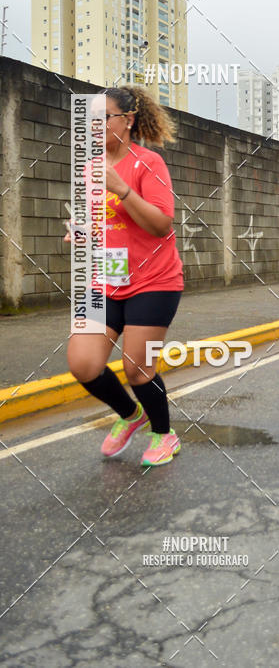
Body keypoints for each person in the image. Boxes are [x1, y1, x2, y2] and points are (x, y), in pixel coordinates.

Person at [65, 86, 184, 467]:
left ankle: (164, 434)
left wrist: (122, 189)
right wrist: (82, 232)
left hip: (154, 281)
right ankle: (131, 416)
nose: (94, 126)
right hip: (105, 279)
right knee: (83, 363)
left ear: (128, 120)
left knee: (137, 367)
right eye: (90, 120)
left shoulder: (149, 163)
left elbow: (161, 224)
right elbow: (101, 222)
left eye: (104, 118)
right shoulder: (90, 167)